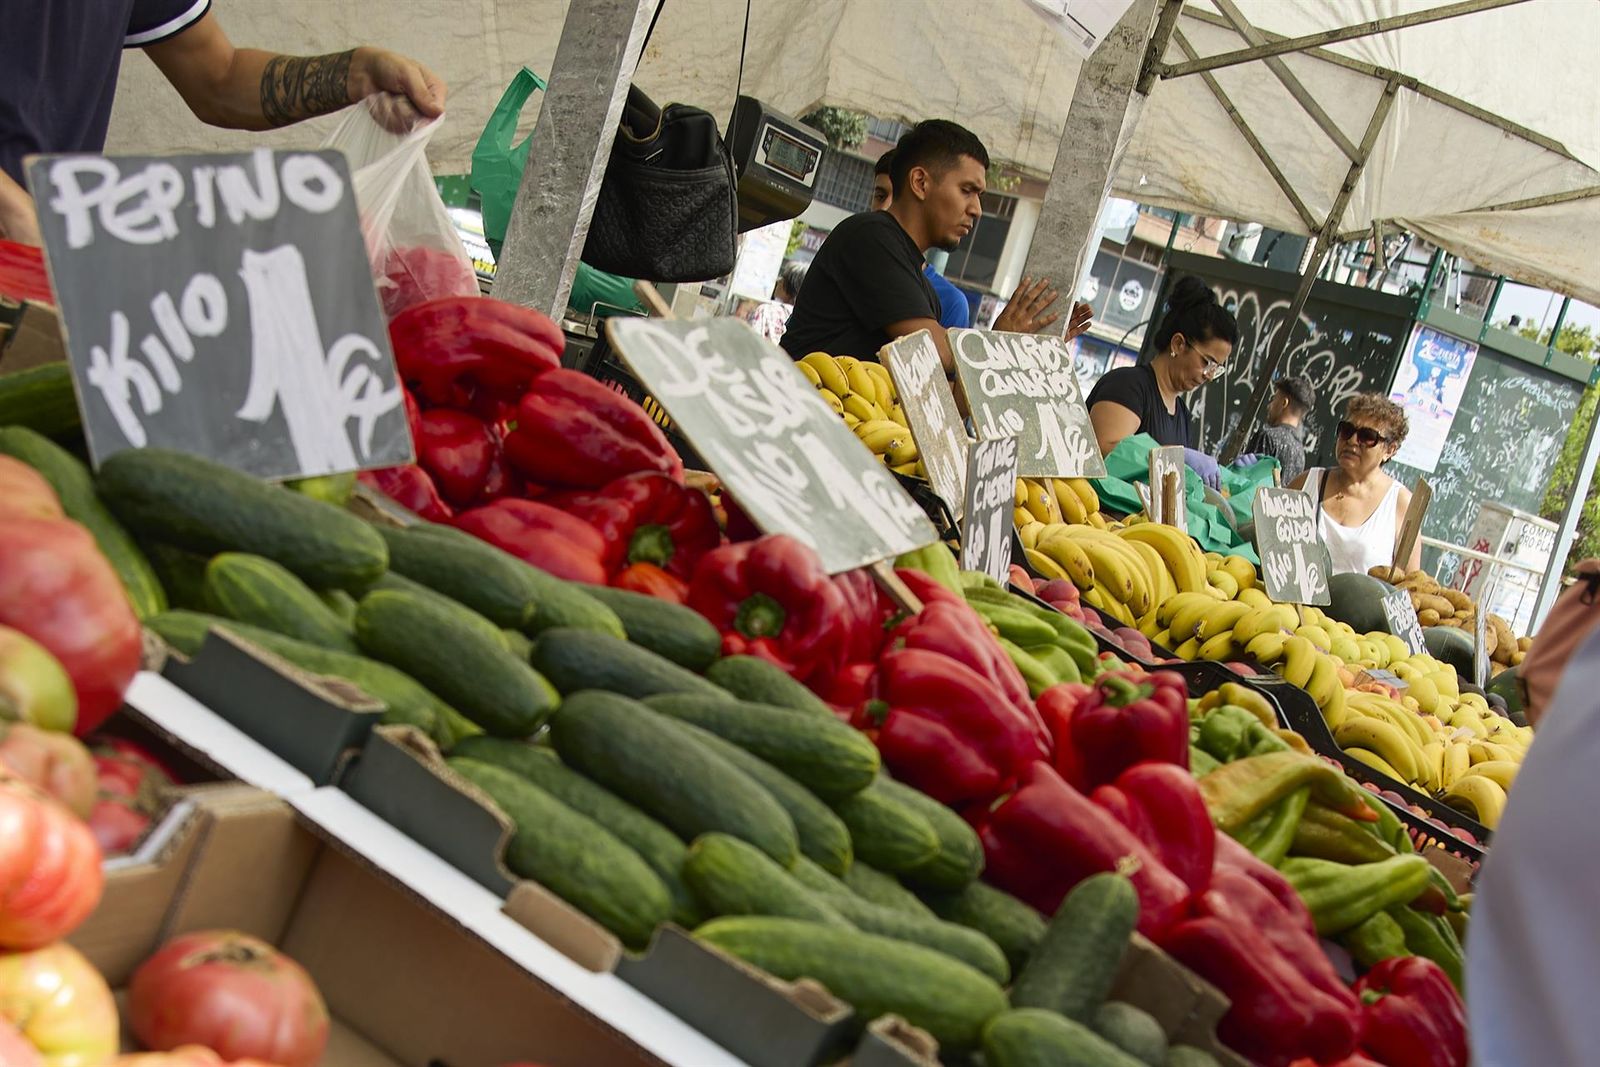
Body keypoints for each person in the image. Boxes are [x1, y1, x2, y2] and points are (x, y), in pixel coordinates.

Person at [0, 3, 445, 244]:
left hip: (41, 262)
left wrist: (358, 72)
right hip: (31, 241)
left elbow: (219, 78)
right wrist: (16, 211)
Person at [780, 118, 1087, 369]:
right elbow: (935, 352)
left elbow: (949, 407)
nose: (977, 209)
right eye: (967, 190)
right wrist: (1002, 338)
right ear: (921, 183)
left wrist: (1029, 346)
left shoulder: (928, 295)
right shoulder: (871, 235)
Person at [1086, 276, 1238, 483]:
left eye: (1216, 369)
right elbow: (1104, 453)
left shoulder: (1182, 415)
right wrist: (1174, 457)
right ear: (1178, 344)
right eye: (1207, 362)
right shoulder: (1128, 386)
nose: (1209, 376)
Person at [1287, 393, 1422, 575]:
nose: (1351, 441)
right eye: (1347, 431)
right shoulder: (1306, 483)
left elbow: (1410, 583)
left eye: (1367, 436)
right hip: (1290, 603)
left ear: (1390, 450)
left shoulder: (1402, 504)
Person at [872, 148, 970, 329]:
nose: (884, 208)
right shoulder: (850, 257)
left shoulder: (950, 302)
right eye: (880, 196)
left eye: (897, 199)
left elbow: (946, 356)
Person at [1244, 374, 1314, 485]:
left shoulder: (1268, 437)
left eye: (1274, 399)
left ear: (1284, 403)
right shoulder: (1300, 453)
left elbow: (1245, 480)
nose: (1269, 406)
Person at [746, 261, 807, 345]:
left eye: (783, 277)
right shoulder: (803, 320)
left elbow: (749, 341)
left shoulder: (766, 311)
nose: (778, 280)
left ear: (791, 285)